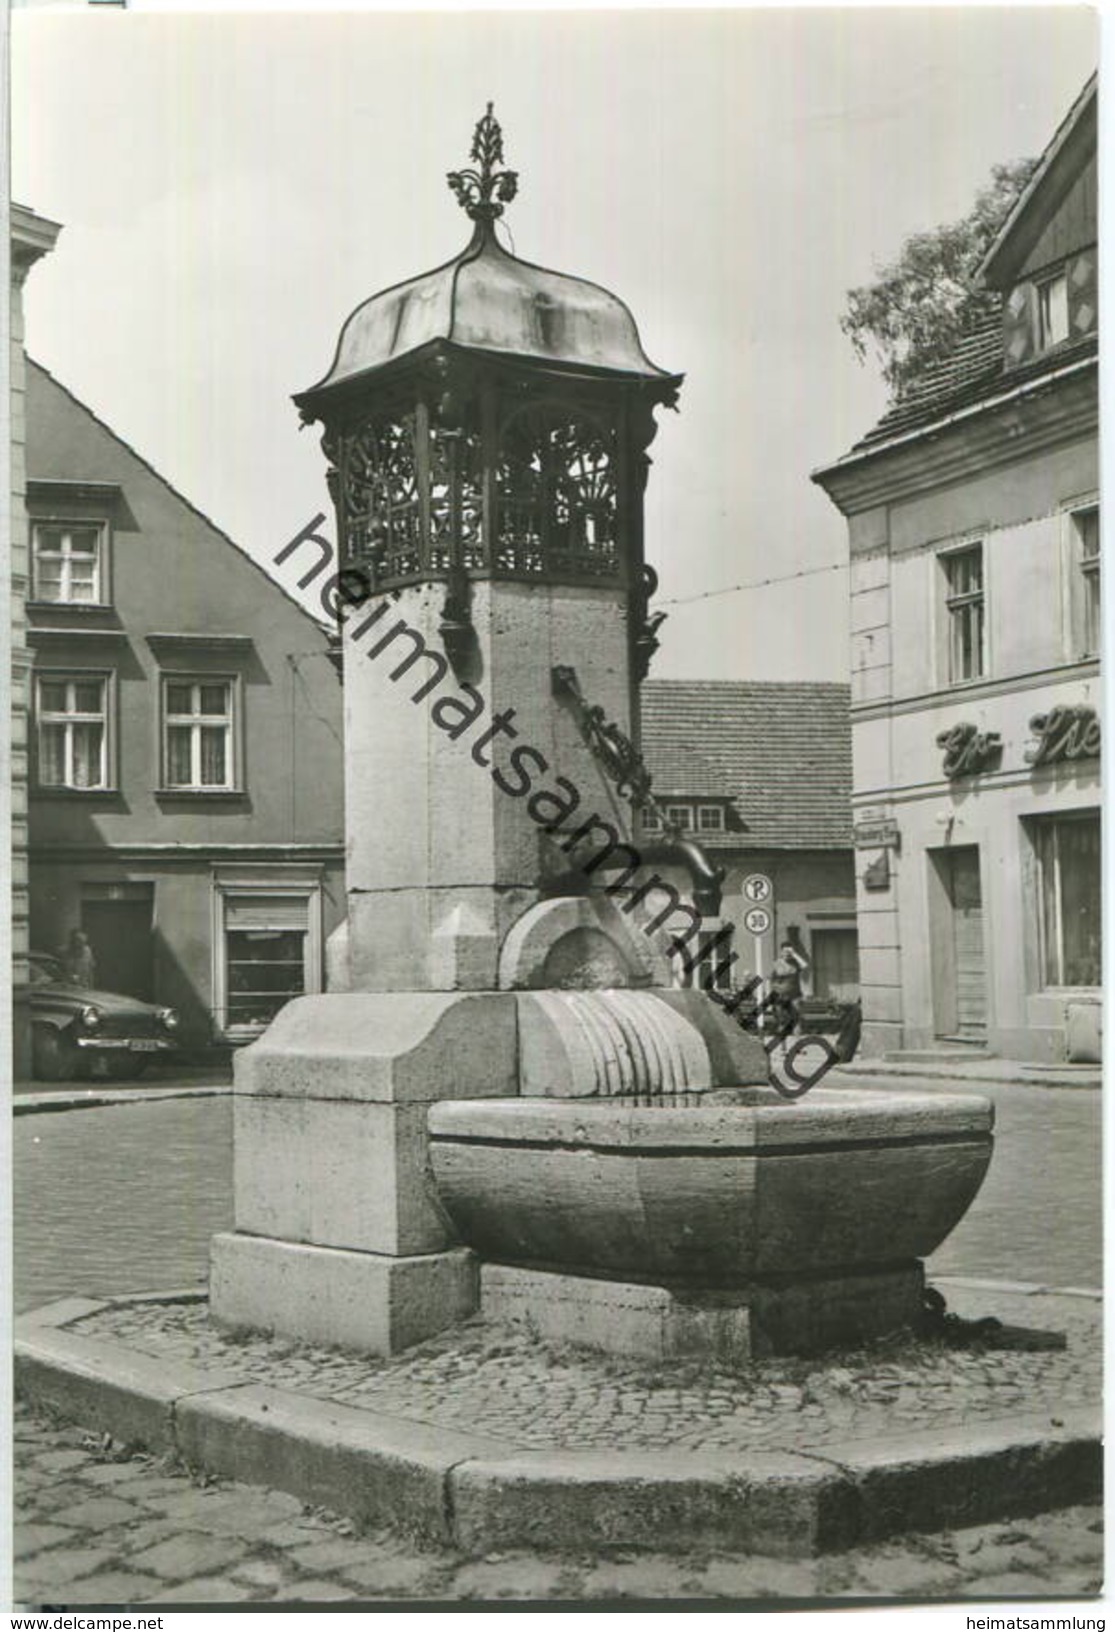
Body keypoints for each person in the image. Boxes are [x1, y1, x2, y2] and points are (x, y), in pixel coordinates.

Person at [768, 937, 809, 1033]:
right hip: (781, 995)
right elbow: (772, 981)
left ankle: (797, 1041)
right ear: (781, 952)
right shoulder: (778, 963)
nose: (787, 953)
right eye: (785, 951)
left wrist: (794, 954)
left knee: (797, 1020)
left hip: (795, 995)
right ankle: (783, 1039)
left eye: (788, 951)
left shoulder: (795, 962)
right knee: (781, 1020)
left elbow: (805, 965)